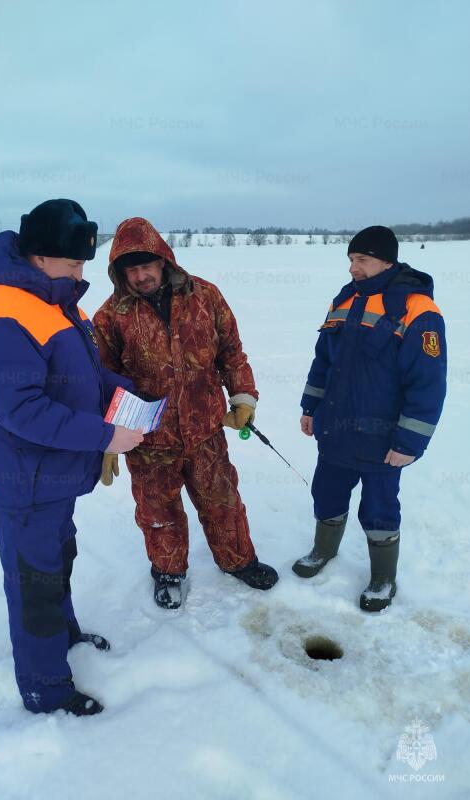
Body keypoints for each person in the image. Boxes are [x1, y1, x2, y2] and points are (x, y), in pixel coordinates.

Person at [0, 199, 143, 715]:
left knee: (58, 561)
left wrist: (127, 393)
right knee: (34, 586)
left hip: (54, 479)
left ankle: (64, 637)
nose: (81, 274)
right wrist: (105, 436)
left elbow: (80, 374)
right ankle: (45, 689)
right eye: (73, 263)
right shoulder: (3, 315)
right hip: (22, 483)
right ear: (39, 257)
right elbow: (21, 410)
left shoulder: (57, 302)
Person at [93, 217, 278, 610]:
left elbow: (232, 352)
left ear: (164, 260)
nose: (140, 276)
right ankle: (168, 572)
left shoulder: (205, 296)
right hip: (147, 438)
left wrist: (243, 397)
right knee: (158, 511)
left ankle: (238, 560)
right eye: (131, 270)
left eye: (147, 266)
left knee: (222, 501)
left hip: (206, 428)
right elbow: (101, 381)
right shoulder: (110, 316)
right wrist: (107, 436)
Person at [294, 226, 446, 611]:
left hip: (383, 441)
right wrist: (310, 407)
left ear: (386, 261)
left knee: (379, 509)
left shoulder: (418, 309)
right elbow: (323, 361)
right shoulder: (345, 299)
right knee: (326, 494)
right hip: (335, 430)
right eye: (351, 259)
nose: (353, 268)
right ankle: (323, 549)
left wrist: (409, 442)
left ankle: (383, 578)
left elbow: (427, 384)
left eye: (361, 259)